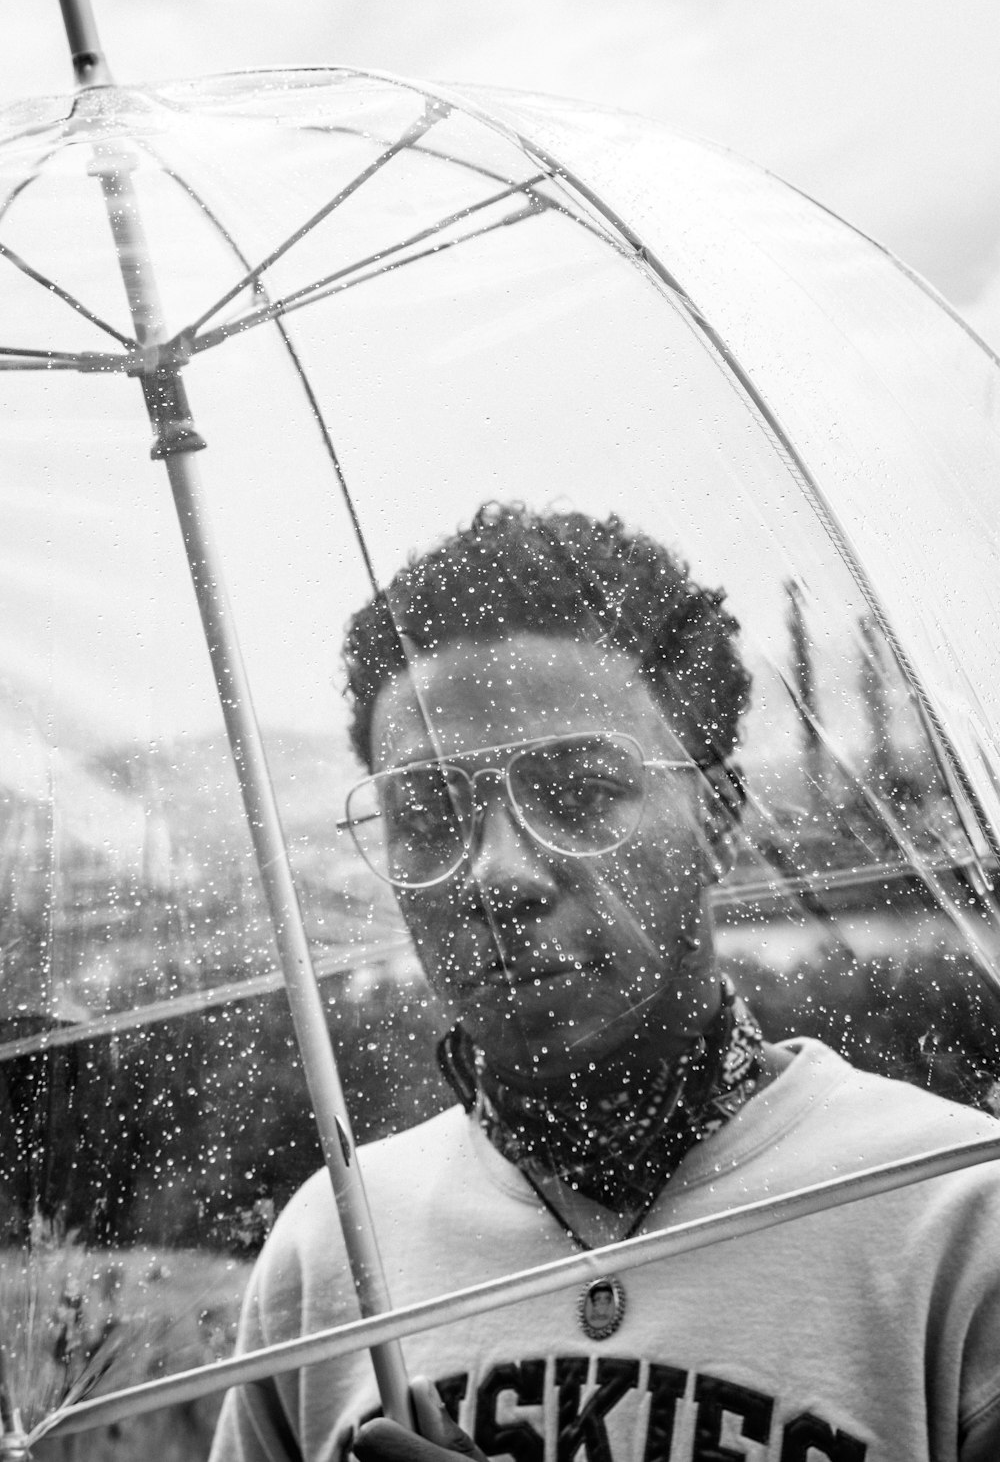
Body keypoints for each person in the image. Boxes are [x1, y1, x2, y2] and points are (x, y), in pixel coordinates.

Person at [211, 504, 1000, 1462]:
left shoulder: (952, 1219)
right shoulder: (335, 1255)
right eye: (428, 810)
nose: (499, 873)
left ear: (719, 818)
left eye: (580, 793)